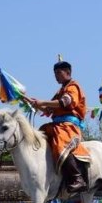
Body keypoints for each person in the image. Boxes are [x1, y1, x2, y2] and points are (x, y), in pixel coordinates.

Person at [26, 59, 90, 194]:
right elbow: (49, 110)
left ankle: (77, 178)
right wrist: (36, 105)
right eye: (54, 73)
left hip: (69, 126)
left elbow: (64, 102)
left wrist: (42, 102)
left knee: (60, 141)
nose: (56, 76)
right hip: (57, 124)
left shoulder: (73, 87)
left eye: (58, 73)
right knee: (40, 134)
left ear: (68, 72)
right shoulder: (60, 90)